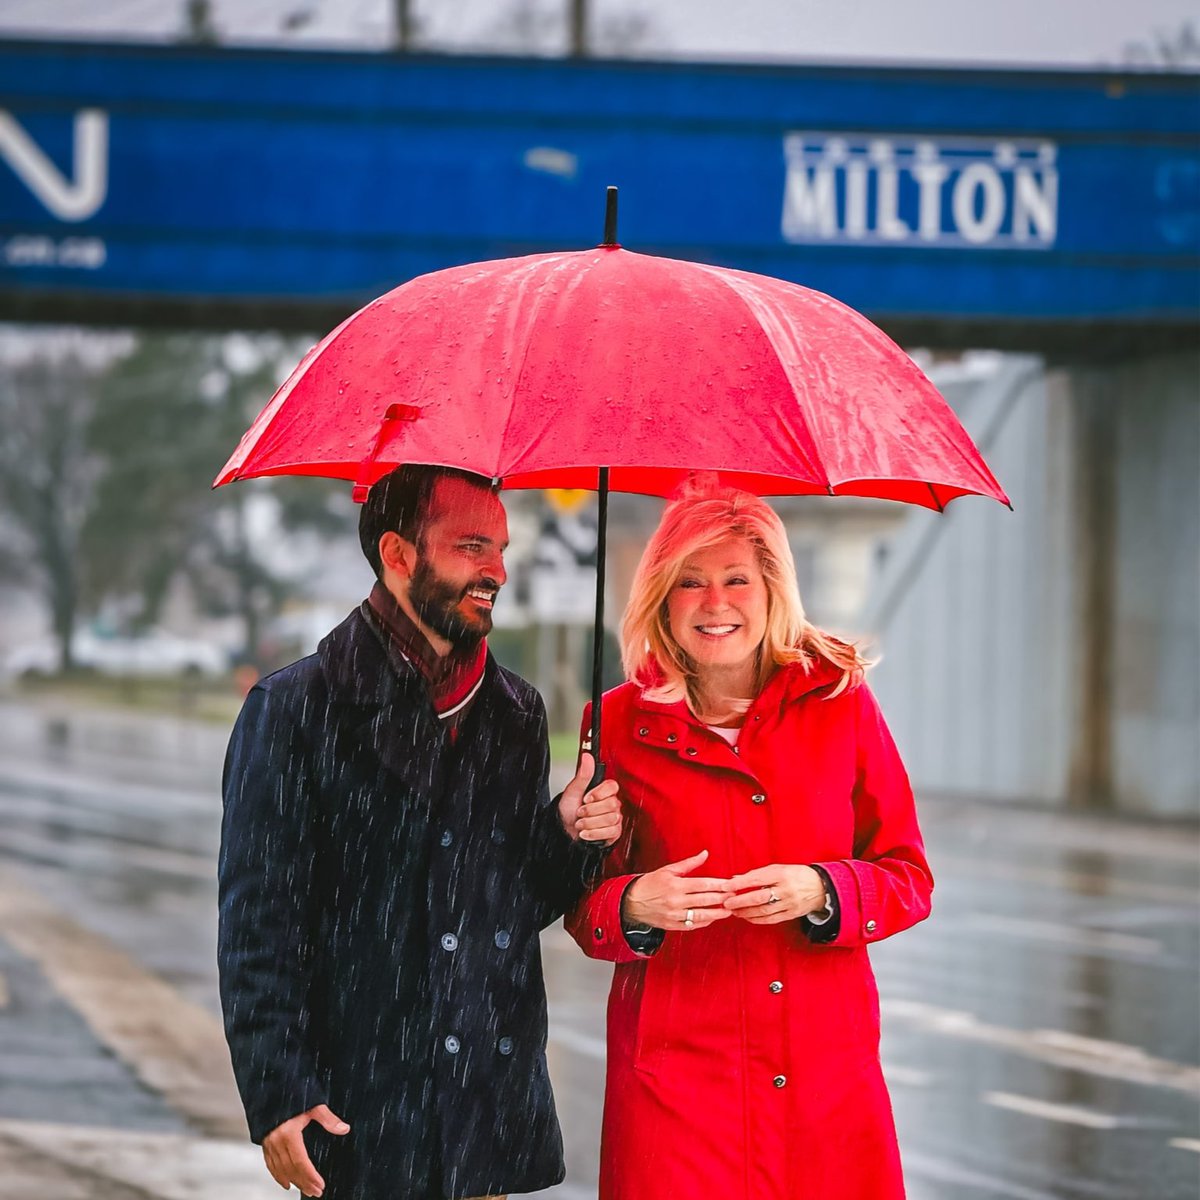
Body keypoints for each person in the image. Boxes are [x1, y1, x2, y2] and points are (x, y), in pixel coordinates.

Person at [219, 464, 621, 1200]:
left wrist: (567, 834)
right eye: (472, 546)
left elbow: (508, 904)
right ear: (399, 555)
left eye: (501, 548)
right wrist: (277, 1086)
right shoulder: (296, 708)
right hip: (361, 1103)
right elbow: (259, 924)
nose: (497, 570)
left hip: (485, 1109)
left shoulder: (516, 713)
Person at [565, 475, 933, 1200]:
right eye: (689, 582)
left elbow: (908, 876)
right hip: (674, 1087)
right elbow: (581, 909)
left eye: (737, 578)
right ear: (661, 599)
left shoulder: (841, 702)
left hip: (821, 1081)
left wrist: (824, 888)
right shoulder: (614, 723)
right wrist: (634, 902)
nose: (715, 602)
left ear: (772, 589)